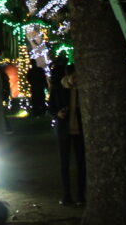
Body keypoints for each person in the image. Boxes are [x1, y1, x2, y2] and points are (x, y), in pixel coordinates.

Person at [49, 63, 85, 207]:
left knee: (81, 163)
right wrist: (58, 114)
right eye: (74, 77)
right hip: (64, 130)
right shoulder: (59, 88)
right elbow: (50, 107)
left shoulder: (83, 89)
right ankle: (66, 195)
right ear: (68, 76)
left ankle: (81, 195)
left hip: (80, 130)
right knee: (64, 164)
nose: (76, 79)